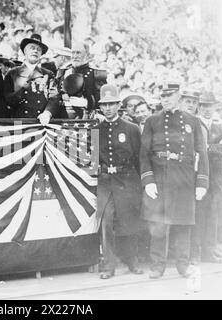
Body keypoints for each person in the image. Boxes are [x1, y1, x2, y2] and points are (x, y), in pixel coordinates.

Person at [140, 82, 209, 279]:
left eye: (170, 96)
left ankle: (183, 265)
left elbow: (201, 153)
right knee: (159, 224)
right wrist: (149, 180)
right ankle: (157, 266)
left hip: (185, 177)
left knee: (184, 223)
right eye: (163, 97)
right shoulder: (152, 121)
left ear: (178, 97)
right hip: (160, 176)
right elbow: (144, 155)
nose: (166, 100)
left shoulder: (192, 121)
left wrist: (202, 182)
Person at [96, 84, 144, 279]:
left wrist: (141, 183)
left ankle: (132, 261)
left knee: (129, 221)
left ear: (118, 105)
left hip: (128, 181)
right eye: (104, 105)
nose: (108, 108)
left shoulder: (131, 129)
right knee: (107, 223)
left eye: (111, 104)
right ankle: (109, 265)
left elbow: (140, 158)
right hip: (106, 183)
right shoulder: (96, 129)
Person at [190, 91, 222, 264]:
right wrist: (215, 148)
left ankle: (209, 251)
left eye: (210, 106)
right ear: (198, 107)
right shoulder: (194, 124)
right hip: (200, 176)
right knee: (199, 215)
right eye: (203, 106)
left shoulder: (219, 126)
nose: (206, 109)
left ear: (215, 106)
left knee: (214, 215)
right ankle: (196, 253)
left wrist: (209, 148)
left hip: (216, 177)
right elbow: (195, 149)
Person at [4, 34, 62, 123]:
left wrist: (47, 113)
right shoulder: (12, 73)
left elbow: (54, 98)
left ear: (41, 54)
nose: (35, 51)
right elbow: (6, 99)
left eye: (39, 50)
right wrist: (22, 90)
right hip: (19, 122)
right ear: (25, 51)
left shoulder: (48, 74)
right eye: (32, 48)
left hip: (42, 122)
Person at [56, 42, 107, 118]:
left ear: (87, 55)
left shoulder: (96, 74)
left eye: (78, 53)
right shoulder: (63, 72)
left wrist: (87, 103)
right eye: (73, 53)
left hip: (87, 120)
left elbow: (104, 100)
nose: (75, 56)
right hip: (63, 120)